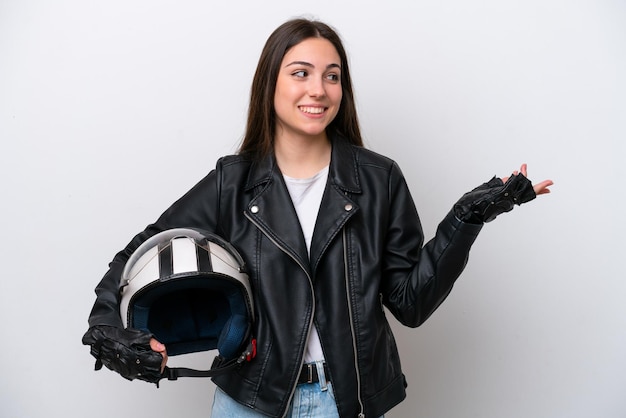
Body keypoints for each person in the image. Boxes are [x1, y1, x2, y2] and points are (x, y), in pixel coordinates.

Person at [82, 18, 553, 418]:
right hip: (249, 400)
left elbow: (410, 303)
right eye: (301, 73)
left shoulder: (379, 179)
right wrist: (109, 327)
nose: (318, 89)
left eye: (332, 75)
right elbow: (141, 253)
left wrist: (465, 219)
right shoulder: (233, 182)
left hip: (343, 401)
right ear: (271, 84)